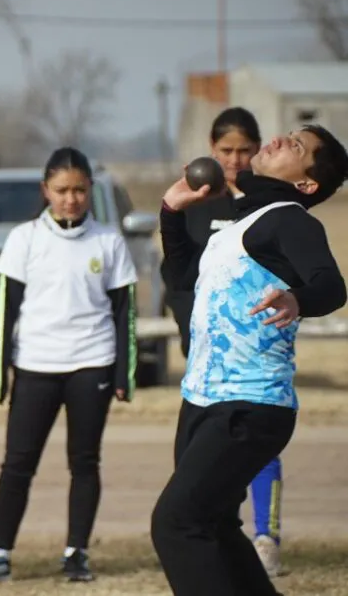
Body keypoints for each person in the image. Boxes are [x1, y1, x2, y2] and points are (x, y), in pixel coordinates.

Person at [150, 125, 348, 596]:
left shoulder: (290, 219)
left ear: (306, 184)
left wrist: (298, 299)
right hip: (204, 400)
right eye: (288, 134)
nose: (279, 140)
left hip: (249, 405)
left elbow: (332, 285)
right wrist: (172, 215)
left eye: (296, 147)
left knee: (178, 524)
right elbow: (182, 279)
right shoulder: (239, 226)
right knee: (214, 525)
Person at [0, 147, 138, 584]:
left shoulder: (109, 241)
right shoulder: (24, 239)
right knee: (17, 463)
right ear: (46, 190)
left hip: (92, 364)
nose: (71, 199)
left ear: (90, 191)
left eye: (80, 190)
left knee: (84, 462)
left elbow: (125, 313)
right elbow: (5, 311)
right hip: (36, 366)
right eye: (62, 190)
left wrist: (124, 375)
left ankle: (76, 553)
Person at [159, 106, 286, 576]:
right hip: (207, 361)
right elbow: (177, 272)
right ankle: (219, 539)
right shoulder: (201, 201)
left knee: (257, 450)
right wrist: (189, 323)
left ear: (257, 150)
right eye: (226, 150)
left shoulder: (268, 205)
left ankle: (267, 535)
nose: (234, 159)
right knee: (202, 465)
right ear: (211, 151)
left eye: (245, 150)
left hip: (254, 359)